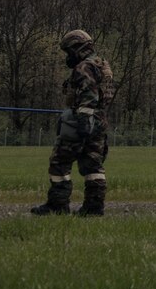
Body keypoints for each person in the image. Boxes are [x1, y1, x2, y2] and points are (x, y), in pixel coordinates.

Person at [31, 29, 114, 216]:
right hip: (100, 121)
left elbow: (89, 94)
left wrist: (83, 120)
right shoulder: (102, 65)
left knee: (59, 162)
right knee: (93, 165)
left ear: (77, 48)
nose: (68, 56)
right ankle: (94, 207)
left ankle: (58, 204)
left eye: (69, 51)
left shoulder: (84, 67)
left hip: (81, 121)